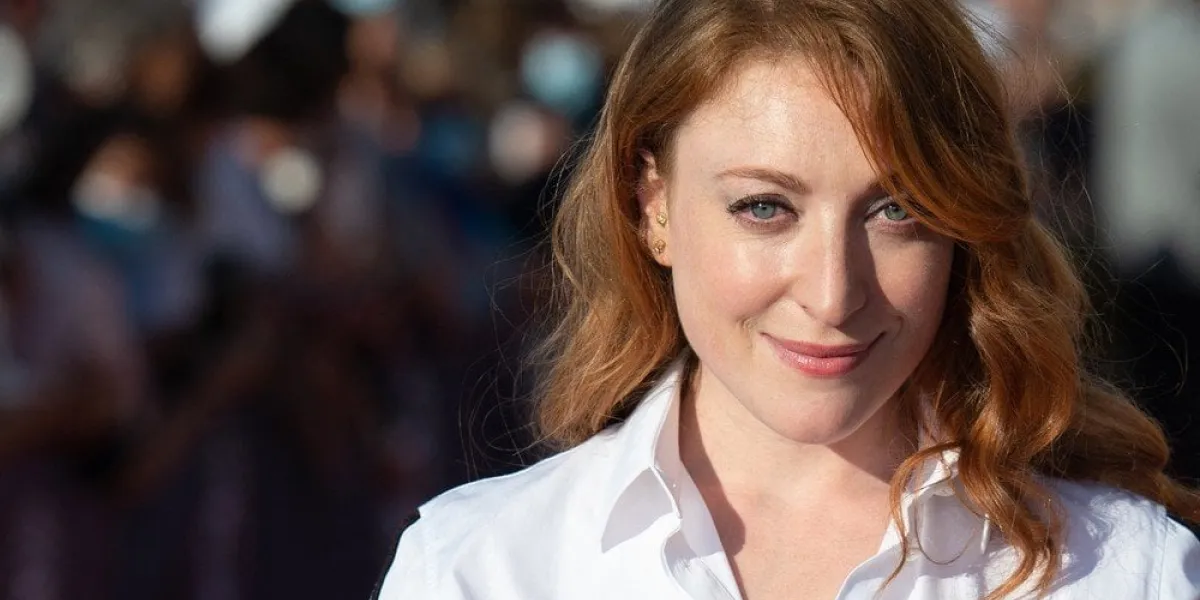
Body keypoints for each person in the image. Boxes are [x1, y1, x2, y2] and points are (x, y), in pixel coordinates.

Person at [374, 0, 1200, 598]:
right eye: (764, 208)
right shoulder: (480, 568)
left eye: (896, 209)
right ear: (652, 207)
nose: (833, 293)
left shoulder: (1125, 571)